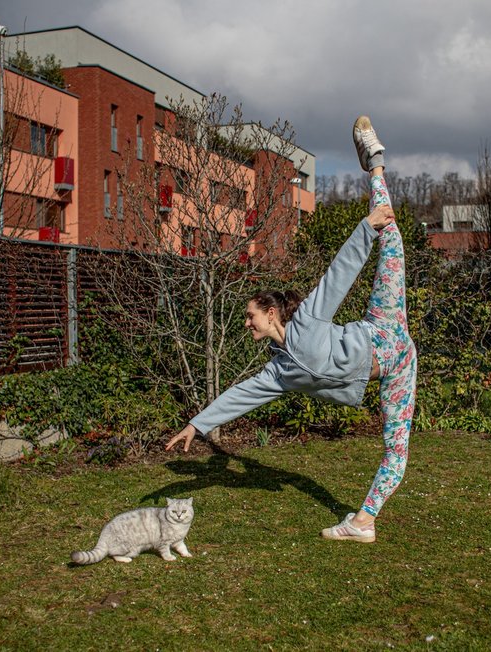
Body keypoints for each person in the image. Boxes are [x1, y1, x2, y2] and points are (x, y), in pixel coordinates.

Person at [165, 116, 417, 543]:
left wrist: (364, 227)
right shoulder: (278, 373)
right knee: (395, 448)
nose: (246, 323)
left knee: (390, 236)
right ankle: (364, 522)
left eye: (250, 316)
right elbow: (239, 396)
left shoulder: (307, 318)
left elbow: (338, 275)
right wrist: (197, 424)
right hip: (395, 366)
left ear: (270, 311)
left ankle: (374, 160)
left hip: (384, 326)